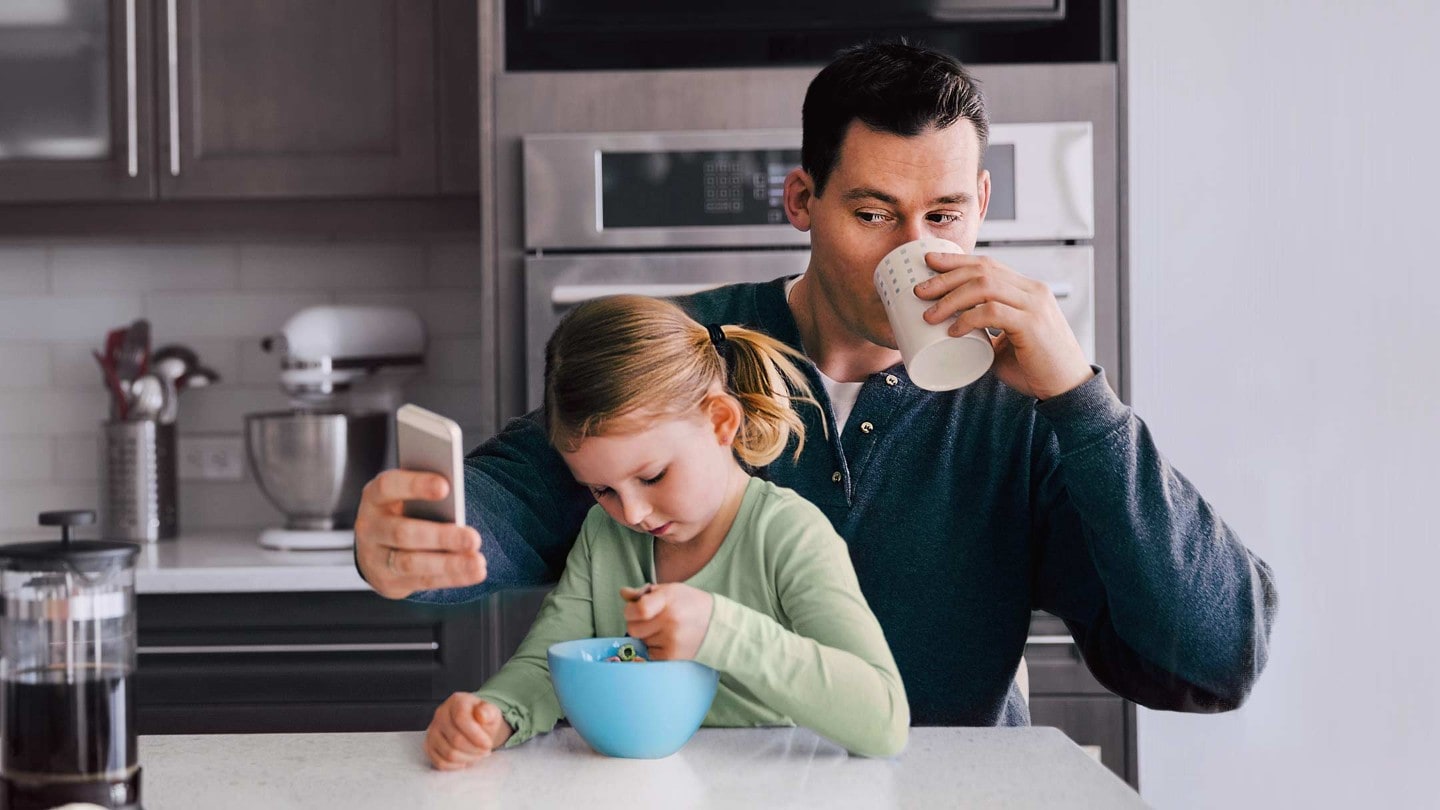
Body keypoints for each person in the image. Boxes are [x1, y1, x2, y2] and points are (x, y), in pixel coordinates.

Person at [356, 40, 1278, 726]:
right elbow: (514, 507)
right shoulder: (691, 349)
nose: (913, 252)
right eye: (873, 213)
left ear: (983, 206)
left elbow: (1213, 659)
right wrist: (412, 538)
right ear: (803, 201)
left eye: (943, 215)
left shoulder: (1026, 407)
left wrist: (1082, 398)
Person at [424, 295, 908, 769]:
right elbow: (548, 667)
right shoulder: (604, 536)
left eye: (652, 476)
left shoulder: (788, 535)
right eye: (601, 489)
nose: (631, 513)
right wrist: (492, 714)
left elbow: (882, 720)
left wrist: (719, 630)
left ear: (720, 421)